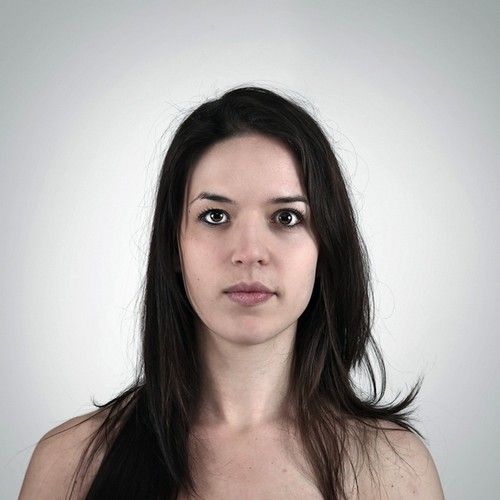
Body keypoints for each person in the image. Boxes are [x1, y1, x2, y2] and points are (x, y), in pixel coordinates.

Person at [19, 85, 444, 499]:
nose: (249, 253)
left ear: (326, 244)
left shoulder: (394, 470)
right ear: (173, 246)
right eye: (216, 216)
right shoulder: (69, 465)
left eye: (286, 217)